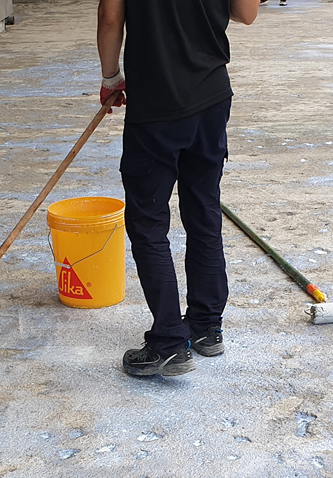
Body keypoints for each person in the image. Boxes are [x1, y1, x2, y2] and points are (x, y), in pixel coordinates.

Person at [97, 0, 260, 376]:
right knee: (204, 210)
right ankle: (206, 326)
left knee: (149, 222)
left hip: (157, 103)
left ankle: (169, 342)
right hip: (211, 97)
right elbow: (246, 13)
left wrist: (111, 77)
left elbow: (110, 17)